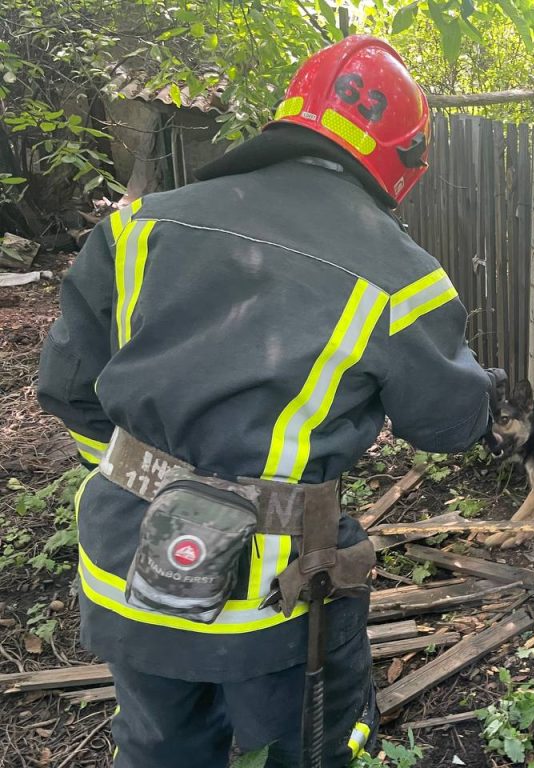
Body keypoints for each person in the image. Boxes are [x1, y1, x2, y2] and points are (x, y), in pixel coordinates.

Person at [37, 36, 504, 767]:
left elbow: (66, 389)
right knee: (310, 752)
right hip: (279, 598)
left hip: (126, 575)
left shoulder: (137, 224)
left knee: (160, 752)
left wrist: (149, 487)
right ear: (404, 162)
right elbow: (447, 424)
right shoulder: (399, 277)